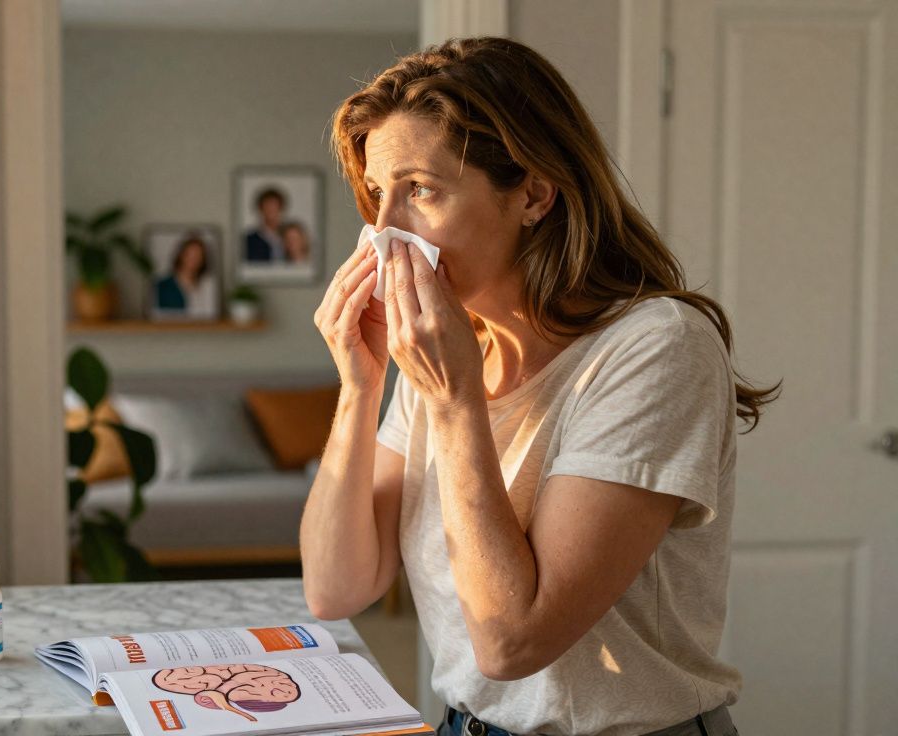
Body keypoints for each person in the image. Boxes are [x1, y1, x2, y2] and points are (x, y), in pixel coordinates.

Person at [303, 37, 780, 736]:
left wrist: (456, 400)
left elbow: (512, 641)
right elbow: (335, 587)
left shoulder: (656, 348)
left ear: (532, 193)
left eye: (420, 191)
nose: (383, 234)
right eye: (378, 195)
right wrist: (360, 384)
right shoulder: (449, 350)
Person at [154, 234, 217, 319]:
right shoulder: (163, 286)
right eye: (190, 255)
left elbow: (211, 315)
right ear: (181, 255)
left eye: (198, 256)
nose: (193, 260)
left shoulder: (207, 285)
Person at [244, 187, 288, 262]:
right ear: (260, 209)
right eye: (267, 207)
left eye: (274, 207)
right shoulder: (249, 241)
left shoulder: (289, 237)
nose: (271, 211)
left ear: (281, 209)